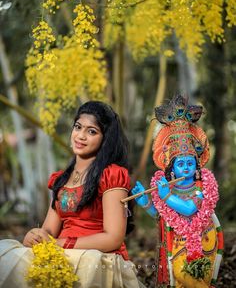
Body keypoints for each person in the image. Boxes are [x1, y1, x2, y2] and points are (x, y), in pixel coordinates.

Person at [0, 101, 145, 288]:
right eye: (78, 127)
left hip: (97, 257)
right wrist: (36, 236)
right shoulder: (61, 179)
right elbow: (49, 231)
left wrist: (60, 244)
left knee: (88, 264)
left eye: (92, 131)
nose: (81, 136)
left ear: (105, 139)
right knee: (6, 254)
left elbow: (113, 237)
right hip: (61, 253)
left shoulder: (111, 175)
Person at [132, 95, 223, 288]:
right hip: (177, 241)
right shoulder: (170, 188)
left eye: (190, 163)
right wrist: (145, 201)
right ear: (171, 170)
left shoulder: (202, 186)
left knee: (190, 276)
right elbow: (162, 215)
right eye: (181, 164)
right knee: (180, 277)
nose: (186, 168)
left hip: (203, 240)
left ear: (197, 164)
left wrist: (165, 196)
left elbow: (190, 209)